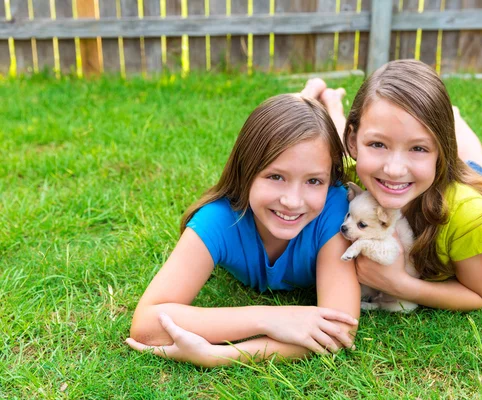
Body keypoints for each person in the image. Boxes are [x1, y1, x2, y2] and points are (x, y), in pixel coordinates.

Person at [126, 92, 361, 367]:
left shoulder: (335, 211)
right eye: (276, 176)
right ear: (245, 171)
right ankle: (313, 93)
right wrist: (272, 318)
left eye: (314, 181)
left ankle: (330, 101)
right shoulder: (218, 219)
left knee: (336, 143)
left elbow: (340, 329)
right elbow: (146, 325)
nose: (292, 201)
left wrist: (219, 356)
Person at [316, 59, 482, 311]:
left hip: (477, 188)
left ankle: (455, 119)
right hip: (427, 171)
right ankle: (333, 103)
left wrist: (398, 285)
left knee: (478, 165)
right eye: (378, 144)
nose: (393, 170)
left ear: (440, 151)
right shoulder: (354, 174)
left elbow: (480, 295)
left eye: (418, 147)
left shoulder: (470, 213)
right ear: (354, 141)